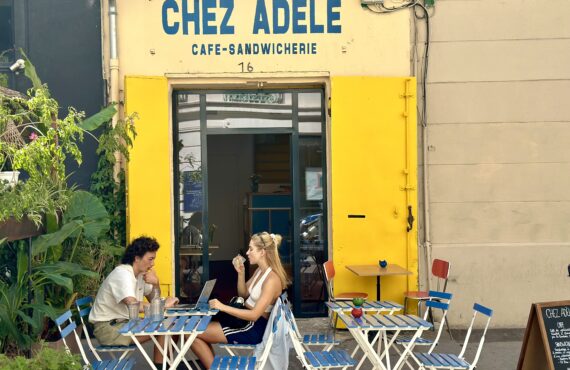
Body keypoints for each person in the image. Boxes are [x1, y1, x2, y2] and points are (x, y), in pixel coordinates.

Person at [190, 232, 289, 368]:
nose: (247, 253)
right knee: (193, 331)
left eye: (251, 249)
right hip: (244, 321)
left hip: (252, 328)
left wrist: (223, 307)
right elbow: (243, 294)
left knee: (193, 334)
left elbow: (254, 315)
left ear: (263, 252)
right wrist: (241, 273)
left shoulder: (272, 280)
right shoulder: (260, 271)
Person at [89, 236, 179, 366]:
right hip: (109, 330)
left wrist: (156, 283)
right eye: (150, 259)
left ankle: (164, 366)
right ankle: (163, 367)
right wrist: (164, 305)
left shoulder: (141, 274)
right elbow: (133, 305)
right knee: (168, 327)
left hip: (125, 324)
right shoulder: (123, 274)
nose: (153, 264)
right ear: (137, 258)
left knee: (172, 325)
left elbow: (154, 299)